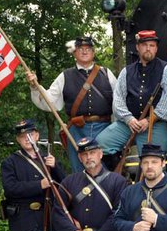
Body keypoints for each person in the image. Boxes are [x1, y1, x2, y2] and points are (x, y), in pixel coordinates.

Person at [25, 36, 117, 172]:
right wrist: (35, 86)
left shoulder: (106, 73)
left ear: (93, 52)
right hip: (77, 130)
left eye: (88, 49)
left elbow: (118, 101)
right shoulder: (65, 76)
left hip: (105, 129)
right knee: (80, 171)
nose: (84, 52)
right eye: (80, 49)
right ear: (75, 53)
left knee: (106, 171)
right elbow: (49, 101)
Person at [98, 30, 167, 166]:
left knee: (153, 160)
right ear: (137, 47)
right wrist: (129, 119)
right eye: (144, 45)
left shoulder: (166, 69)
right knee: (101, 143)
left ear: (156, 48)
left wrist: (149, 120)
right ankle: (119, 178)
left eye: (152, 45)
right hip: (128, 124)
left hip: (155, 125)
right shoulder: (126, 71)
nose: (148, 48)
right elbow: (118, 99)